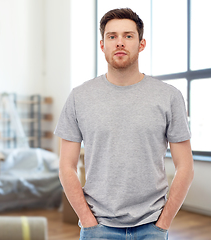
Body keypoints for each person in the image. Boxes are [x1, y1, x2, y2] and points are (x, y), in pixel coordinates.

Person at [54, 8, 194, 240]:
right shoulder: (79, 97)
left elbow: (185, 167)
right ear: (102, 45)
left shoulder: (169, 96)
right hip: (97, 227)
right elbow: (66, 167)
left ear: (141, 44)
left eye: (128, 36)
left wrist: (164, 222)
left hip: (152, 226)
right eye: (112, 36)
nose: (120, 42)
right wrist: (88, 221)